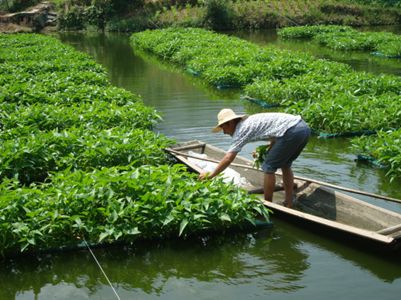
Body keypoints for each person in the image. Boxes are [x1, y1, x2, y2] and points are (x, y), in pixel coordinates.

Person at [199, 108, 310, 208]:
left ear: (230, 123)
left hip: (292, 131)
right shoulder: (248, 122)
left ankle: (268, 206)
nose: (224, 132)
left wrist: (210, 175)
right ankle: (289, 203)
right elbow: (275, 133)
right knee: (285, 165)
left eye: (223, 127)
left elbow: (228, 158)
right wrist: (269, 149)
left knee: (268, 166)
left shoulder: (240, 130)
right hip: (303, 128)